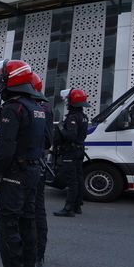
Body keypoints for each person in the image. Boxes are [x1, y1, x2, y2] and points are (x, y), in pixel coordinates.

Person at [0, 59, 46, 267]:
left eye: (2, 78)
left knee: (8, 224)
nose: (0, 83)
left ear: (12, 79)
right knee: (28, 221)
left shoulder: (14, 107)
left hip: (15, 173)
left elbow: (5, 148)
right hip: (32, 171)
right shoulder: (36, 107)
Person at [53, 88, 90, 217]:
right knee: (79, 178)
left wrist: (61, 127)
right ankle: (77, 205)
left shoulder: (73, 117)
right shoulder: (83, 117)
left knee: (71, 180)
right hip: (79, 150)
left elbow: (70, 136)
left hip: (71, 152)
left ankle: (68, 207)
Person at [31, 73, 53, 267]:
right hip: (28, 167)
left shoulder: (40, 108)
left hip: (33, 166)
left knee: (36, 210)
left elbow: (47, 141)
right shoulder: (23, 105)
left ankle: (37, 254)